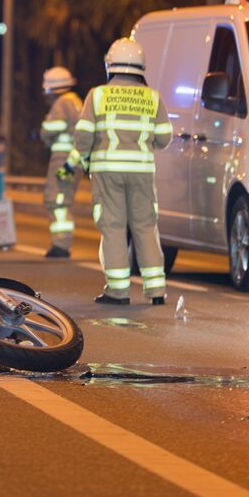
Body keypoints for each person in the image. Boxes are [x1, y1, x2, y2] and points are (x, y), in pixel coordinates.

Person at [60, 38, 172, 305]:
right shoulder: (153, 97)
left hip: (107, 172)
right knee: (145, 226)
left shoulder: (98, 95)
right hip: (142, 173)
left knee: (113, 227)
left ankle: (118, 291)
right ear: (141, 67)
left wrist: (79, 159)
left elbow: (84, 137)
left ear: (110, 65)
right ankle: (156, 290)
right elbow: (164, 138)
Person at [38, 67, 82, 258]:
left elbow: (51, 128)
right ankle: (61, 242)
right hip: (72, 161)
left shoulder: (62, 103)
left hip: (63, 160)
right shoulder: (76, 101)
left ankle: (61, 244)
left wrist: (43, 128)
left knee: (56, 198)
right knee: (61, 198)